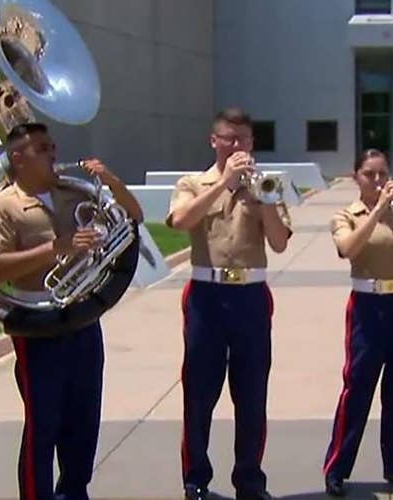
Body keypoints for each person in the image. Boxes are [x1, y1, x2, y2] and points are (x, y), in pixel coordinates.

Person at [0, 121, 144, 500]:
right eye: (41, 149)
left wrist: (111, 181)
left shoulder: (73, 192)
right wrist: (56, 247)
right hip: (38, 325)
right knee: (43, 424)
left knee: (84, 420)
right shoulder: (0, 207)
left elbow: (132, 217)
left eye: (52, 146)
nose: (53, 154)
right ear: (17, 158)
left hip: (83, 319)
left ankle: (74, 493)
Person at [166, 108, 293, 500]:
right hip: (207, 296)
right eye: (229, 138)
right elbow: (181, 220)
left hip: (251, 297)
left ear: (253, 143)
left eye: (244, 139)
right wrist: (223, 183)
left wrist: (263, 198)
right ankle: (196, 479)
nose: (237, 146)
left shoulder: (268, 184)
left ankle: (250, 480)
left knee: (252, 394)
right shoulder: (193, 183)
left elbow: (280, 242)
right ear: (214, 141)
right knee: (199, 393)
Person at [322, 149, 393, 497]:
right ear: (356, 177)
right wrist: (376, 212)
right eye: (369, 174)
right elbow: (348, 248)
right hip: (368, 307)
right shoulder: (346, 215)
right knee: (358, 388)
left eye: (383, 173)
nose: (377, 180)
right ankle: (337, 468)